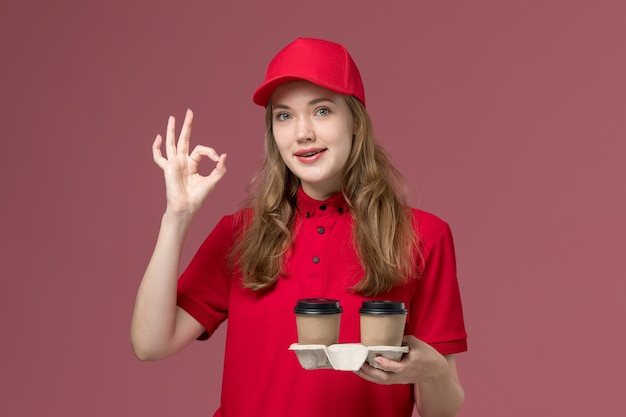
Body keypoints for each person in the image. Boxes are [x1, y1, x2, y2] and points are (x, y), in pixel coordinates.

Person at [131, 37, 467, 417]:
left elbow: (441, 410)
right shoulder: (241, 234)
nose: (301, 132)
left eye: (322, 111)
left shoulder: (424, 237)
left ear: (356, 120)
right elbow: (150, 344)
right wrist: (176, 217)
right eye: (284, 115)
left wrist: (435, 371)